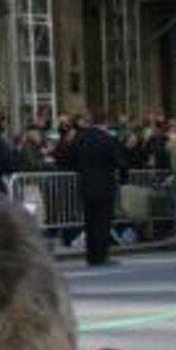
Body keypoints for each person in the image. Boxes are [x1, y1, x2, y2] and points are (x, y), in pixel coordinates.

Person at [56, 110, 125, 265]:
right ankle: (102, 255)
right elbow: (119, 162)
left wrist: (81, 169)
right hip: (105, 184)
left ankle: (91, 255)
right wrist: (122, 176)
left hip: (86, 184)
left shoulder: (79, 138)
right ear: (105, 123)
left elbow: (68, 159)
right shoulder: (109, 139)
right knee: (103, 222)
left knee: (90, 221)